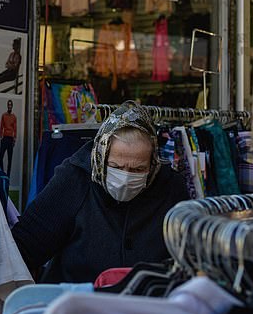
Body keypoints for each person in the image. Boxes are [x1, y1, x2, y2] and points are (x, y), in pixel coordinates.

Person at [11, 101, 189, 283]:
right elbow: (25, 247)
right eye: (116, 167)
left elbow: (189, 254)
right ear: (101, 156)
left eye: (138, 170)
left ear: (152, 163)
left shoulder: (171, 187)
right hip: (79, 301)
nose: (126, 177)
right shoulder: (75, 178)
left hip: (148, 304)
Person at [0, 100, 17, 177]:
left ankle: (8, 176)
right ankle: (3, 172)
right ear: (7, 106)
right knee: (0, 157)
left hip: (10, 139)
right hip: (5, 138)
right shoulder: (4, 115)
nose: (9, 106)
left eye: (11, 105)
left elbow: (15, 128)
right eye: (8, 105)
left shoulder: (14, 117)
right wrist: (1, 136)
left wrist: (15, 138)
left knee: (10, 159)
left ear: (12, 106)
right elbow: (1, 126)